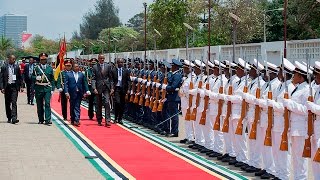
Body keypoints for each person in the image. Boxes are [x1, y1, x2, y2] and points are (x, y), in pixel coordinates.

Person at [162, 59, 183, 137]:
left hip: (174, 97)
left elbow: (173, 86)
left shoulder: (177, 75)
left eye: (172, 65)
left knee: (174, 115)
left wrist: (166, 87)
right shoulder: (173, 74)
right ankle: (169, 129)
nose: (171, 67)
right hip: (170, 96)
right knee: (170, 114)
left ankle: (175, 131)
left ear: (175, 67)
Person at [91, 54, 114, 126]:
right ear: (98, 59)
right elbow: (93, 79)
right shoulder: (95, 67)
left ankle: (107, 120)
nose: (102, 59)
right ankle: (99, 119)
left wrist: (112, 88)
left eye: (103, 58)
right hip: (98, 87)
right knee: (99, 104)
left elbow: (111, 78)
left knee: (107, 103)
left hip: (106, 87)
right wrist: (94, 88)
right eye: (101, 58)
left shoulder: (108, 66)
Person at [32, 53, 55, 125]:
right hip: (38, 88)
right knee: (39, 104)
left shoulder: (50, 68)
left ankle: (48, 119)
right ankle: (41, 119)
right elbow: (31, 77)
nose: (43, 61)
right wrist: (35, 78)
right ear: (40, 60)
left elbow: (52, 79)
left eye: (45, 59)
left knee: (47, 104)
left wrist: (52, 89)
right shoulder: (36, 68)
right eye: (42, 59)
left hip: (47, 88)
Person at [0, 55, 23, 124]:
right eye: (12, 59)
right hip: (7, 87)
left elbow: (20, 77)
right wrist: (2, 87)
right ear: (9, 59)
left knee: (14, 102)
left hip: (14, 87)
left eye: (14, 59)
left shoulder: (16, 67)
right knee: (7, 103)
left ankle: (14, 118)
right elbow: (1, 78)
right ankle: (9, 117)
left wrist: (21, 86)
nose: (14, 60)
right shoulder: (4, 67)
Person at [112, 58, 130, 124]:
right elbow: (111, 80)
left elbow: (128, 81)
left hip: (123, 89)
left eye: (122, 62)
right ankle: (116, 117)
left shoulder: (126, 71)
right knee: (117, 102)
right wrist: (112, 88)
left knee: (122, 104)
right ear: (117, 63)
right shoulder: (113, 70)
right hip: (116, 88)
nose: (120, 64)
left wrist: (128, 89)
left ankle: (120, 118)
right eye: (119, 62)